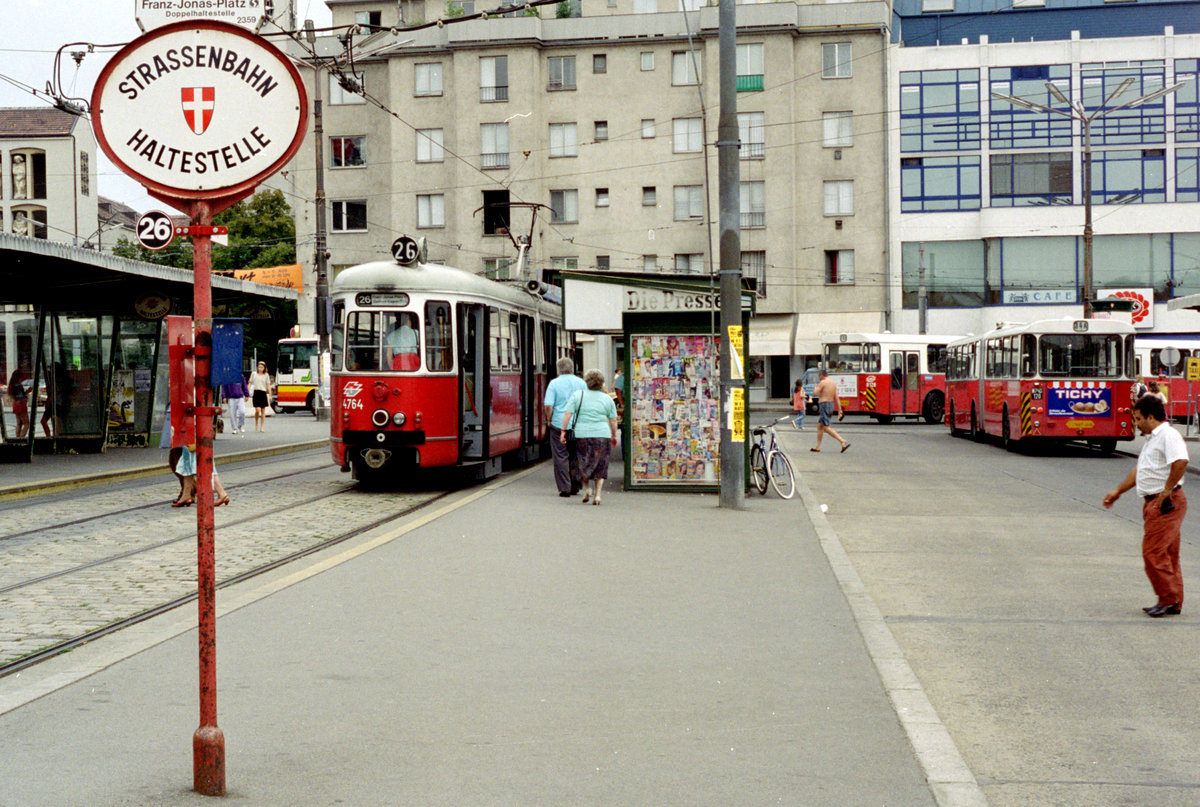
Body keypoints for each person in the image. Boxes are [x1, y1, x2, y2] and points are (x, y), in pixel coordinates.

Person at [1102, 395, 1188, 617]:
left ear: (1151, 417)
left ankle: (1167, 598)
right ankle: (1174, 600)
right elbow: (1140, 471)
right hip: (1155, 500)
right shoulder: (1152, 439)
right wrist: (1118, 491)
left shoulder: (1169, 435)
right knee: (1168, 553)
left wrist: (1166, 490)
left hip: (1165, 501)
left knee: (1153, 552)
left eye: (1139, 418)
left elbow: (1180, 462)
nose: (1136, 423)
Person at [560, 369, 619, 505]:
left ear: (587, 382)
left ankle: (587, 488)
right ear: (601, 383)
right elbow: (613, 420)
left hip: (582, 435)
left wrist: (563, 431)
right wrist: (614, 435)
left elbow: (567, 414)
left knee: (582, 462)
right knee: (601, 464)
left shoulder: (577, 395)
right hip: (602, 435)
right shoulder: (607, 399)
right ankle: (598, 495)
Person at [544, 357, 586, 497]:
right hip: (578, 424)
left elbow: (548, 405)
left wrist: (549, 419)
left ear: (558, 369)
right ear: (572, 368)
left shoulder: (554, 384)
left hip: (558, 424)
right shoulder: (581, 383)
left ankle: (564, 488)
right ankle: (575, 486)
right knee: (575, 455)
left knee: (561, 456)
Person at [811, 369, 850, 453]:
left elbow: (815, 393)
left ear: (822, 375)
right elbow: (837, 397)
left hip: (824, 404)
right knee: (820, 426)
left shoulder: (823, 383)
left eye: (819, 376)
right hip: (830, 405)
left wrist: (815, 387)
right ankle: (817, 447)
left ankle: (842, 441)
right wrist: (840, 409)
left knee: (825, 427)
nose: (819, 377)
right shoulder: (833, 383)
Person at [7, 360, 30, 439]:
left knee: (19, 423)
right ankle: (21, 438)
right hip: (21, 405)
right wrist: (27, 392)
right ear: (19, 377)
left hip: (15, 405)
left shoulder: (12, 385)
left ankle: (17, 438)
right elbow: (21, 396)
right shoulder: (18, 386)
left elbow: (16, 396)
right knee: (27, 424)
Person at [248, 361, 273, 432]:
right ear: (257, 367)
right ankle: (256, 422)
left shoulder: (266, 375)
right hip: (256, 392)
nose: (260, 368)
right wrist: (247, 391)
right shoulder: (254, 374)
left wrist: (270, 395)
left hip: (263, 392)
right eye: (259, 367)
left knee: (263, 410)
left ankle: (262, 426)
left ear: (264, 368)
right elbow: (250, 383)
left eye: (262, 367)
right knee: (257, 410)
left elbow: (268, 385)